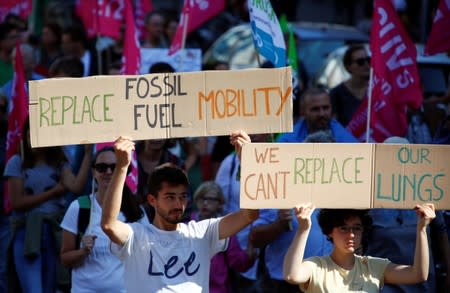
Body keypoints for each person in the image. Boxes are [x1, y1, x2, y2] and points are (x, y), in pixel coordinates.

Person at [101, 131, 259, 292]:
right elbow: (109, 225)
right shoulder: (137, 235)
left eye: (183, 196)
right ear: (152, 200)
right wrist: (121, 166)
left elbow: (249, 215)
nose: (178, 204)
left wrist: (246, 163)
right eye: (170, 197)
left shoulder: (202, 233)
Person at [4, 119, 92, 292]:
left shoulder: (59, 162)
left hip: (54, 234)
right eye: (32, 133)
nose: (35, 138)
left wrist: (88, 154)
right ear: (26, 135)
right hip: (27, 233)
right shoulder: (17, 162)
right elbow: (16, 202)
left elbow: (75, 186)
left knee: (51, 288)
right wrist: (53, 192)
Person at [283, 203, 436, 292]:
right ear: (330, 232)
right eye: (343, 228)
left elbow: (418, 275)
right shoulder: (316, 266)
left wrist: (421, 229)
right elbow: (292, 275)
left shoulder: (374, 266)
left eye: (356, 228)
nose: (351, 235)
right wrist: (303, 229)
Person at [60, 146, 143, 292]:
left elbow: (147, 255)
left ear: (122, 171)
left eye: (114, 167)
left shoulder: (135, 210)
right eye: (102, 167)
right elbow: (65, 259)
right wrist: (82, 251)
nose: (108, 172)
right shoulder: (79, 207)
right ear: (94, 172)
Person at [192, 181, 256, 293]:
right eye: (201, 198)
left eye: (211, 199)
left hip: (218, 289)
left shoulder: (226, 227)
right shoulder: (185, 227)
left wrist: (250, 256)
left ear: (220, 203)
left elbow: (237, 262)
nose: (205, 203)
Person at [277, 87, 358, 143]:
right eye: (315, 109)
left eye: (325, 108)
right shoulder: (288, 140)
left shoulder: (344, 138)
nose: (321, 114)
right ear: (302, 112)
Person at [329, 44, 370, 127]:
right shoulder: (336, 94)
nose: (366, 64)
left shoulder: (378, 89)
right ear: (348, 67)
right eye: (360, 62)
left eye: (369, 60)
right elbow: (333, 126)